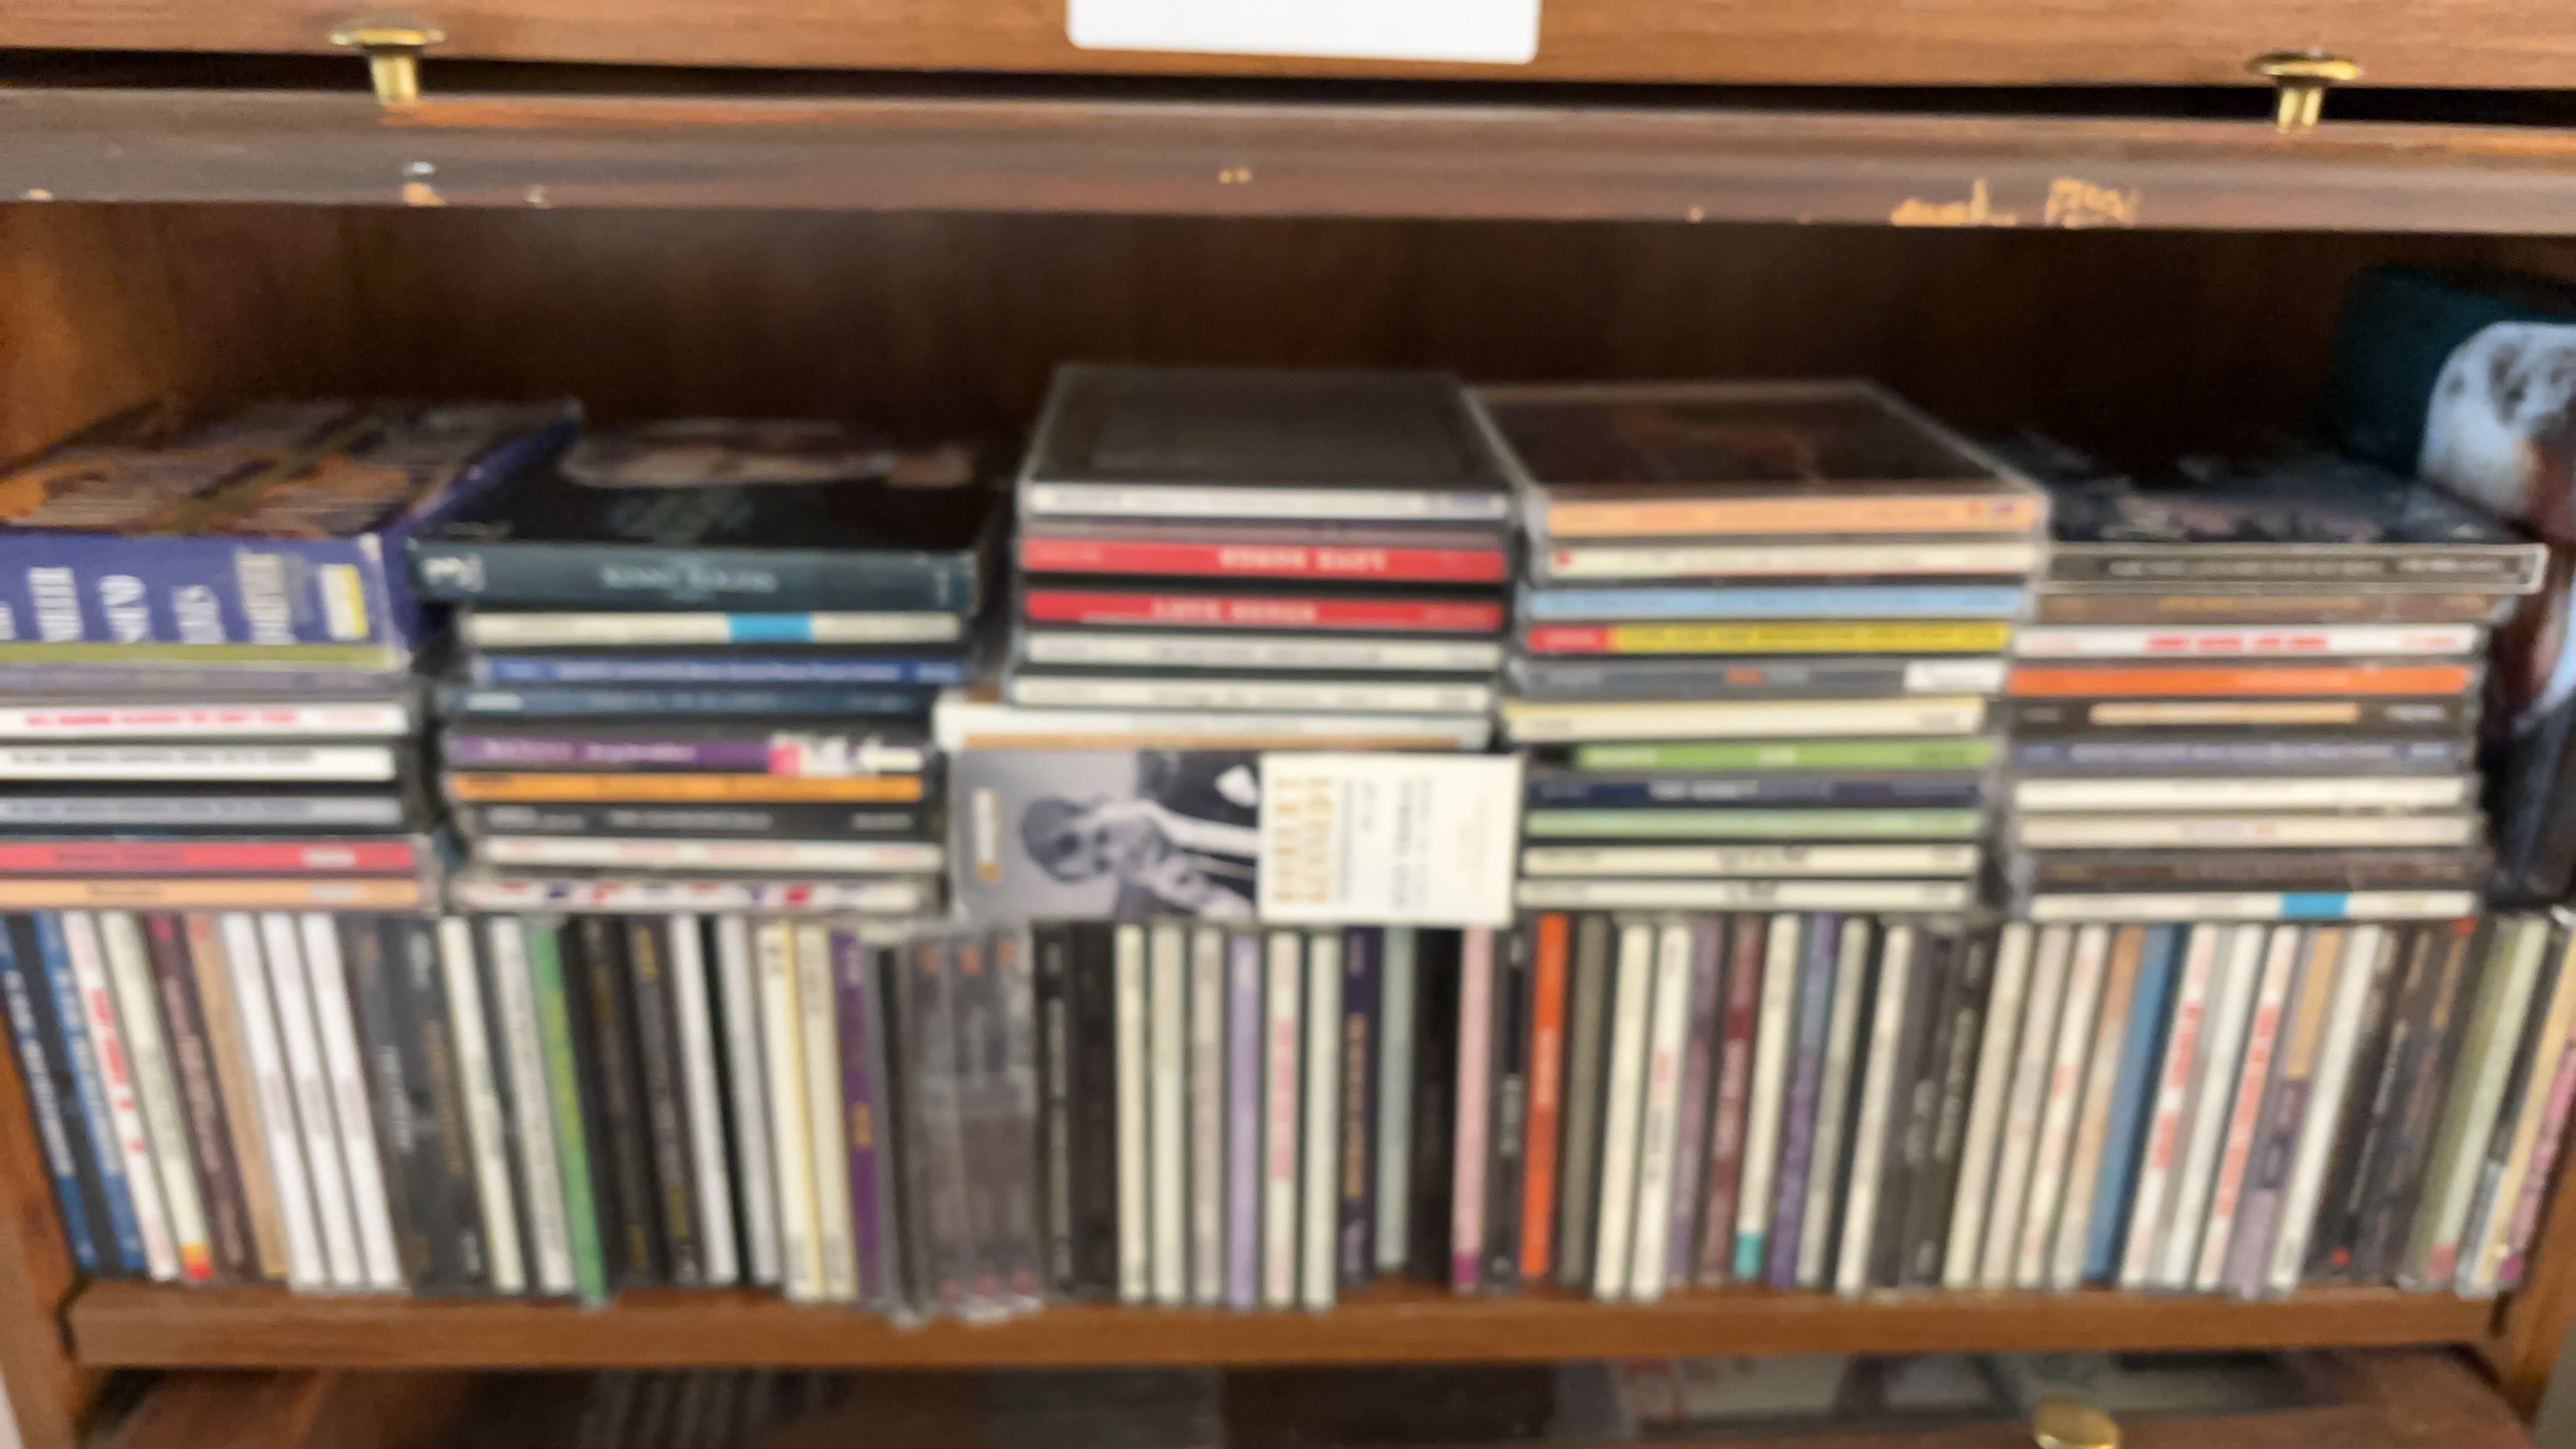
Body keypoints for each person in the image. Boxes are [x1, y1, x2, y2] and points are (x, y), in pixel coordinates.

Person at [1019, 753, 1259, 917]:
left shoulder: (1185, 769)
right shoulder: (1172, 907)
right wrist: (1208, 899)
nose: (1120, 854)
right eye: (1103, 865)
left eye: (1103, 836)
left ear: (1103, 804)